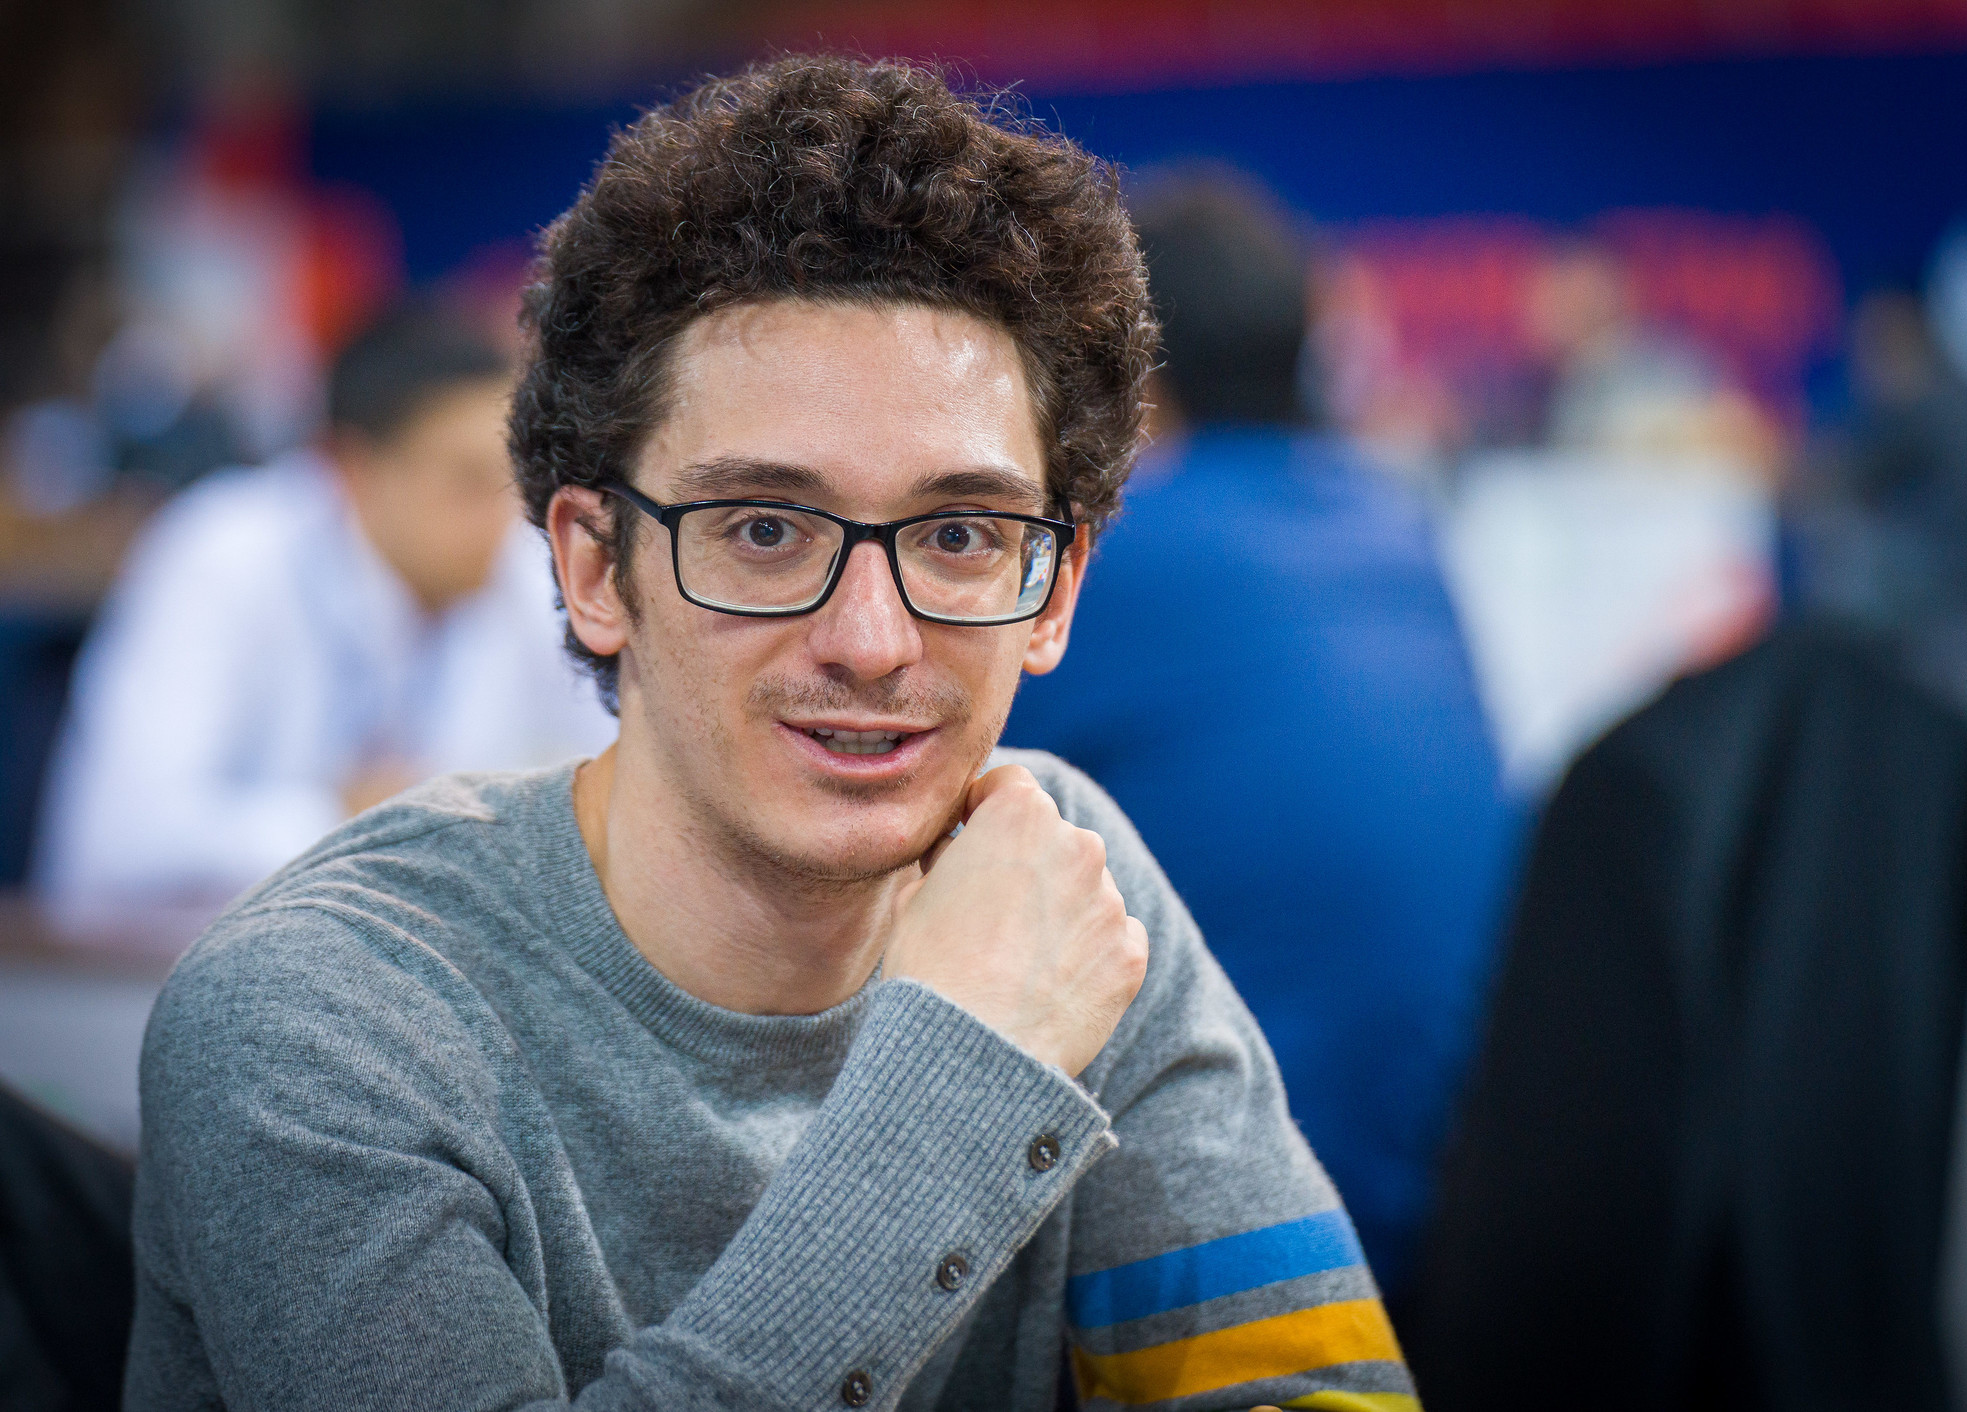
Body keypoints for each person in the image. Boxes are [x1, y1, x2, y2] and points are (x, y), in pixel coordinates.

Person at [122, 58, 1418, 1410]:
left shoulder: (1063, 882)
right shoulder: (320, 1020)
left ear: (1058, 593)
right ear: (592, 567)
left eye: (963, 535)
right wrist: (960, 1083)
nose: (870, 639)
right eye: (762, 529)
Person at [1001, 170, 1520, 1296]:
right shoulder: (1395, 527)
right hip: (1470, 1210)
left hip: (1260, 1228)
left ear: (1123, 378)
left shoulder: (1113, 567)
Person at [33, 306, 616, 905]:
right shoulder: (222, 554)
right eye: (465, 482)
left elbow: (605, 782)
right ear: (352, 470)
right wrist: (349, 819)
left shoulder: (518, 573)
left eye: (513, 483)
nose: (502, 519)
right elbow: (114, 845)